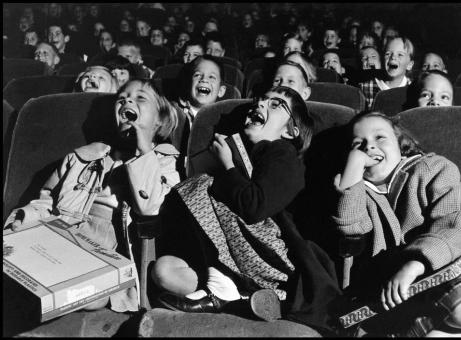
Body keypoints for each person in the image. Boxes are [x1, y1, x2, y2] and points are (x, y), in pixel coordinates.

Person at [151, 86, 344, 335]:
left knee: (202, 186)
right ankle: (238, 294)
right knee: (164, 268)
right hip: (248, 255)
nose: (260, 105)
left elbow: (255, 207)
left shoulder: (283, 154)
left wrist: (228, 165)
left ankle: (229, 286)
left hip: (280, 260)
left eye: (275, 105)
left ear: (290, 131)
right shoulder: (257, 155)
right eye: (260, 100)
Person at [4, 78, 181, 312]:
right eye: (122, 98)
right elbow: (47, 201)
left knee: (93, 296)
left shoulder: (165, 162)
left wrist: (145, 151)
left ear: (160, 120)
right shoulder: (82, 157)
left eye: (140, 98)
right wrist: (25, 218)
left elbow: (149, 208)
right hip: (65, 233)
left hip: (111, 250)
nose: (128, 100)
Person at [331, 111, 461, 336]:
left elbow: (455, 220)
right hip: (423, 290)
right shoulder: (362, 195)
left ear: (401, 145)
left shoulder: (431, 168)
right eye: (358, 144)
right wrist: (353, 174)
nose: (368, 147)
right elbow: (350, 229)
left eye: (380, 138)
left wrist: (415, 263)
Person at [169, 55, 227, 178]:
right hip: (173, 172)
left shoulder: (224, 121)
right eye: (197, 75)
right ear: (189, 83)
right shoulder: (173, 111)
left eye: (212, 77)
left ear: (221, 90)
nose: (204, 80)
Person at [358, 36, 415, 109]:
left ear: (409, 65)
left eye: (400, 54)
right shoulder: (365, 88)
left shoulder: (414, 89)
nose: (393, 57)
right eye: (388, 54)